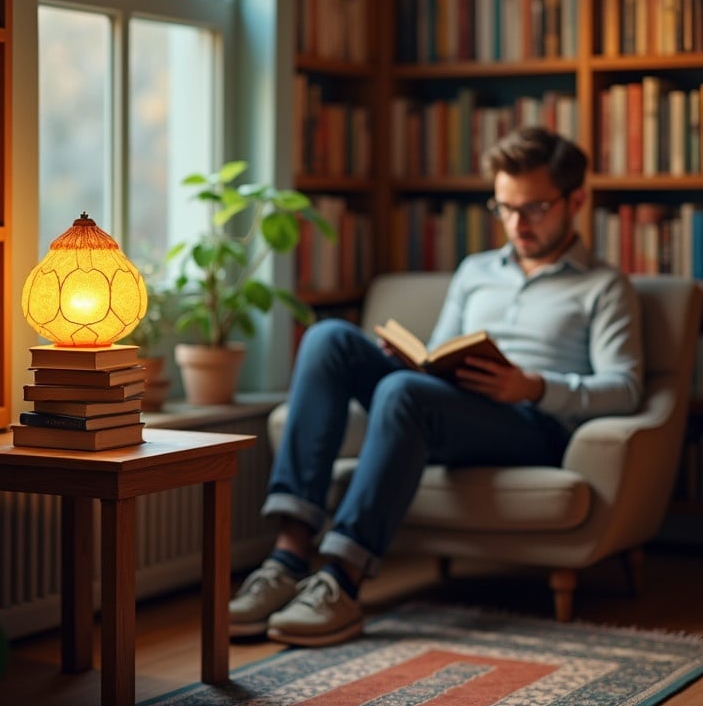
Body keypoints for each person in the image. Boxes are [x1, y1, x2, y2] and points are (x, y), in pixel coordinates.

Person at [230, 126, 644, 647]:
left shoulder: (605, 285)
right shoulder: (475, 271)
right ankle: (287, 557)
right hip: (451, 405)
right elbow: (444, 350)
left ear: (576, 199)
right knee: (328, 338)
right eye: (504, 208)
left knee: (403, 394)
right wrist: (413, 359)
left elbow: (625, 388)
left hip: (531, 425)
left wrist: (534, 387)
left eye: (534, 208)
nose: (517, 224)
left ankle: (339, 579)